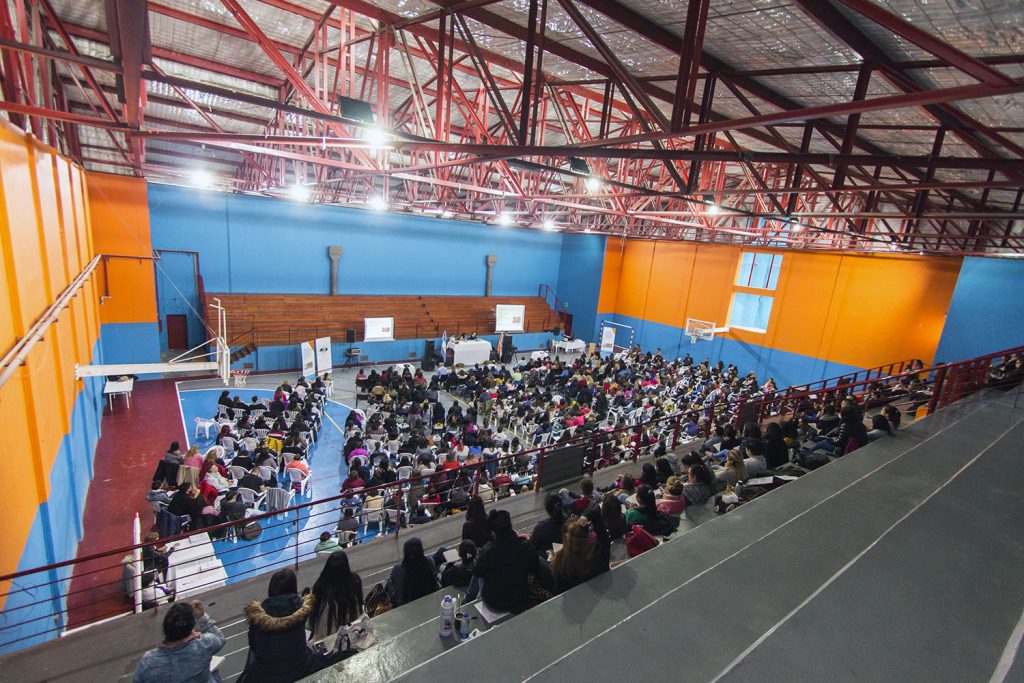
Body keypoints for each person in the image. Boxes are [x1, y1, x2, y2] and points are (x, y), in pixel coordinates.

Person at [241, 569, 342, 682]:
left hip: (266, 675)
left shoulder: (257, 615)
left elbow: (253, 645)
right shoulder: (301, 609)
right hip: (302, 667)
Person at [474, 509, 551, 614]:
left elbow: (477, 572)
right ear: (510, 526)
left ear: (493, 532)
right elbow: (534, 567)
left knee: (480, 568)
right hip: (520, 598)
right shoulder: (526, 545)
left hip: (494, 603)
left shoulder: (487, 551)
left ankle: (471, 598)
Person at [132, 600, 224, 683]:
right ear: (191, 629)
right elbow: (219, 638)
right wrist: (202, 617)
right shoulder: (204, 645)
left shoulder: (148, 661)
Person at [307, 552, 363, 643]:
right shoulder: (355, 581)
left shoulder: (320, 585)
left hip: (326, 632)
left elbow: (314, 612)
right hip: (352, 630)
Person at [551, 508, 610, 594]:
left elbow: (559, 593)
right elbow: (596, 513)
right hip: (603, 592)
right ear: (586, 535)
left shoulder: (559, 563)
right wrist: (585, 516)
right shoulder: (600, 551)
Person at [388, 538, 438, 607]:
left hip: (405, 606)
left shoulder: (397, 569)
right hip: (429, 601)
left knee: (389, 584)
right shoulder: (430, 562)